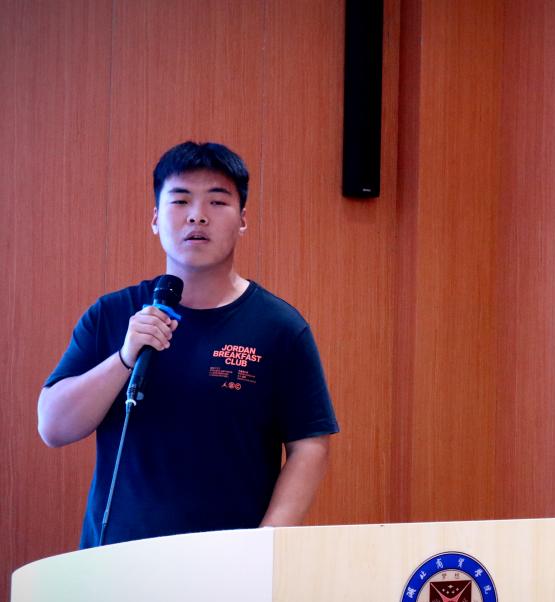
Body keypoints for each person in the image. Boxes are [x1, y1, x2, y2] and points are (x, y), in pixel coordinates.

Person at [38, 141, 339, 548]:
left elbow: (309, 446)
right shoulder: (112, 314)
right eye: (180, 200)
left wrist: (266, 543)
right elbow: (54, 427)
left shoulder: (279, 327)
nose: (197, 215)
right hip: (117, 560)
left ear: (243, 219)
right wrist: (125, 357)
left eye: (217, 201)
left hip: (228, 561)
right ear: (155, 219)